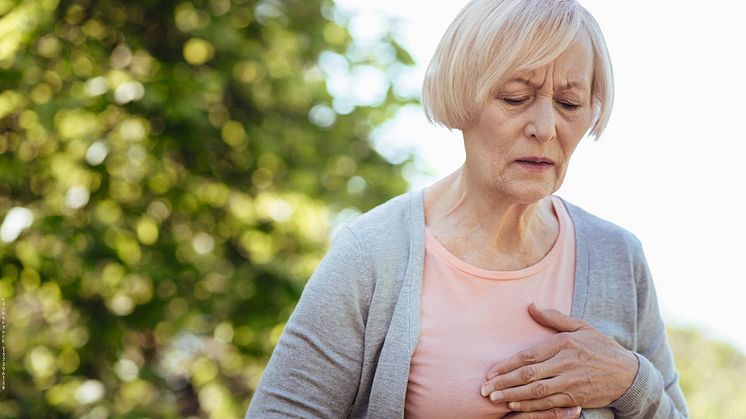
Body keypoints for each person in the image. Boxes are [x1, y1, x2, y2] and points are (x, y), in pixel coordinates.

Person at [245, 0, 689, 417]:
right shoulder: (371, 254)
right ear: (462, 98)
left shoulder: (618, 257)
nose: (546, 128)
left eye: (569, 104)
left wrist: (632, 381)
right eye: (516, 97)